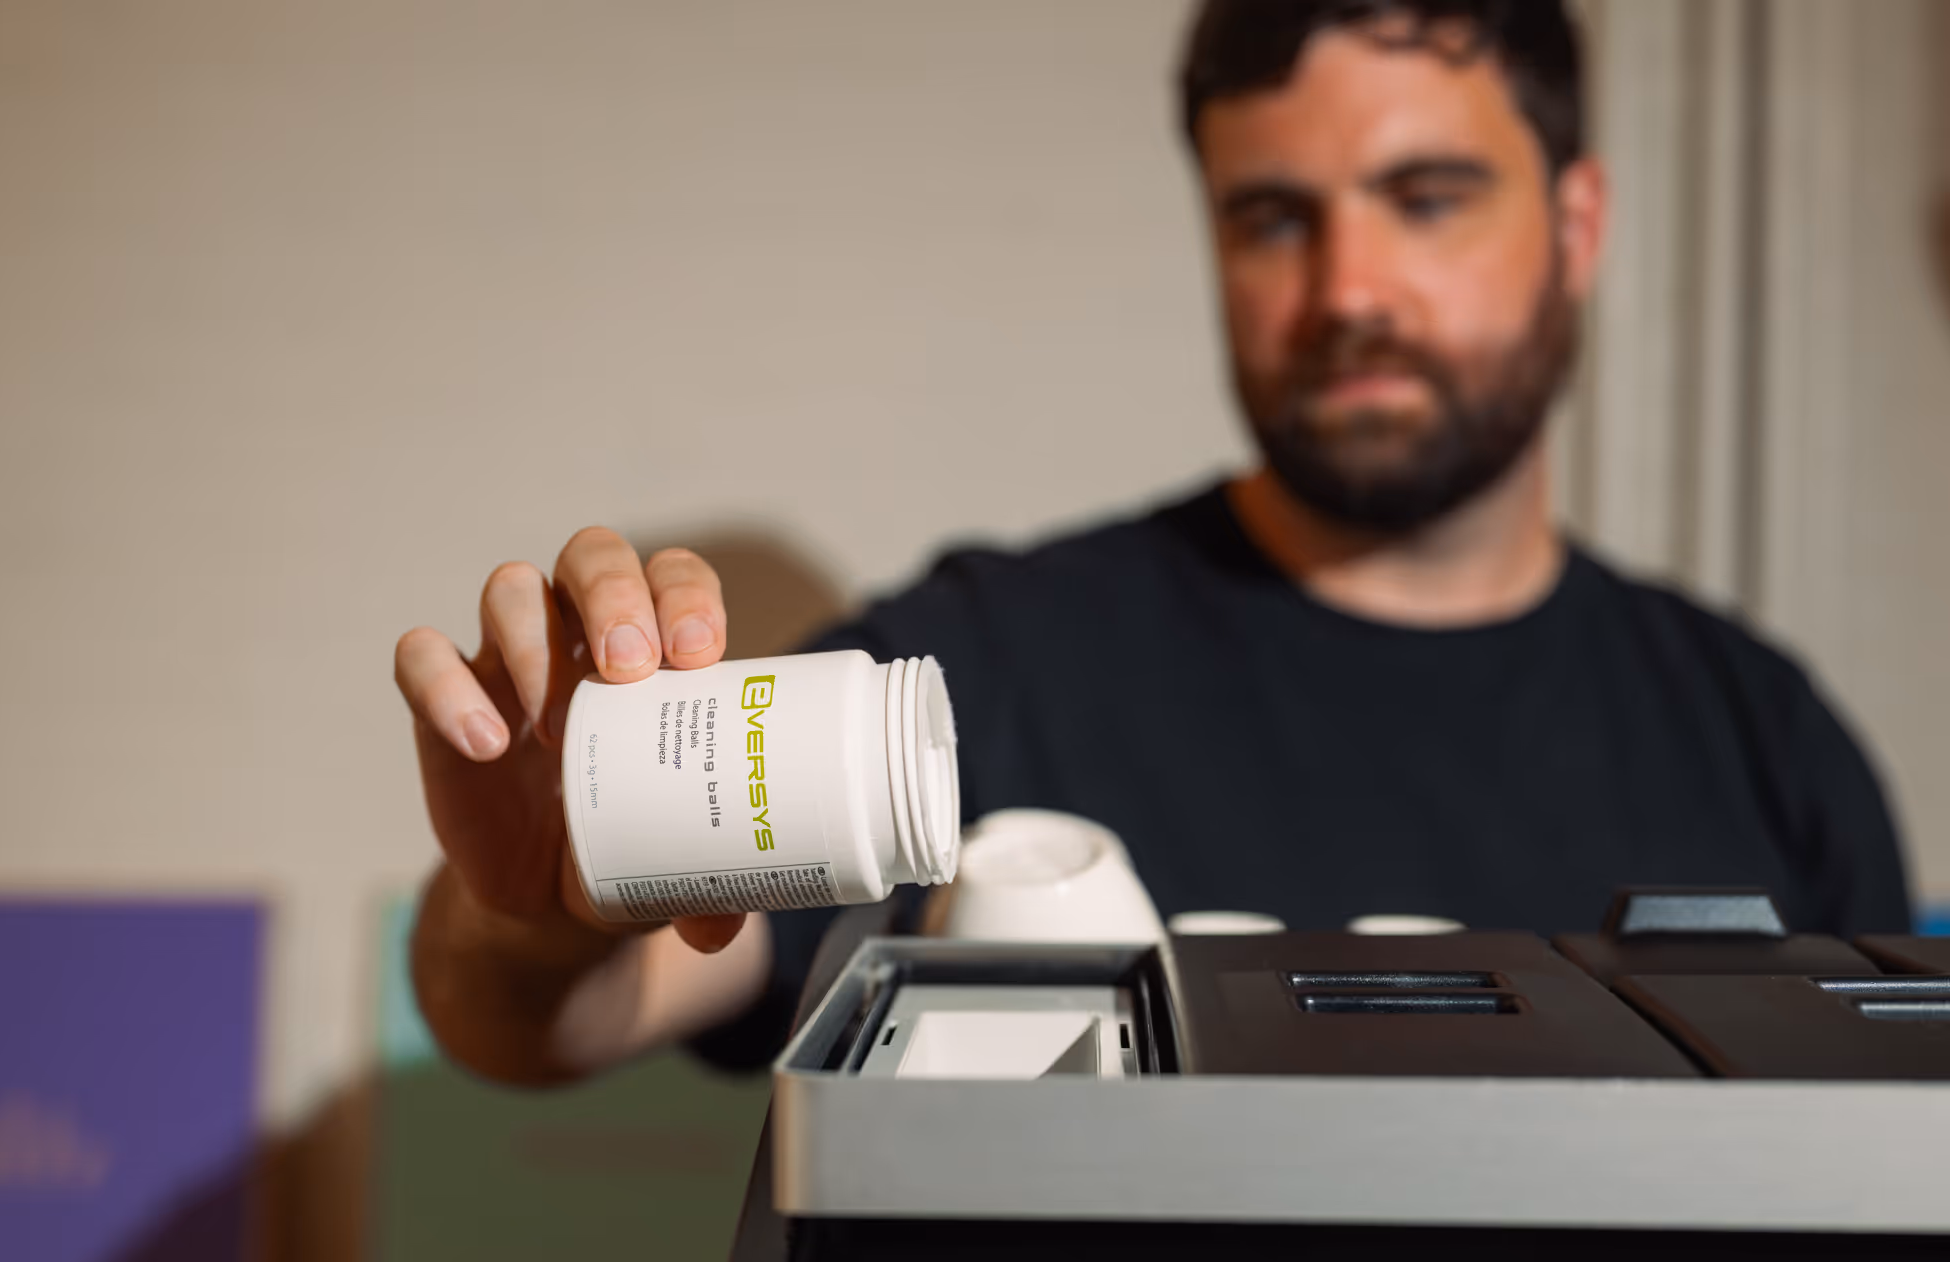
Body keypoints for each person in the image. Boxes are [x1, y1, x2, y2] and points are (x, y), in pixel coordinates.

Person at [393, 0, 1912, 1086]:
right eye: (1272, 218)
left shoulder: (1766, 745)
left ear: (1577, 227)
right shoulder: (988, 661)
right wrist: (536, 909)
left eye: (1427, 198)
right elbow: (544, 1022)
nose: (1348, 290)